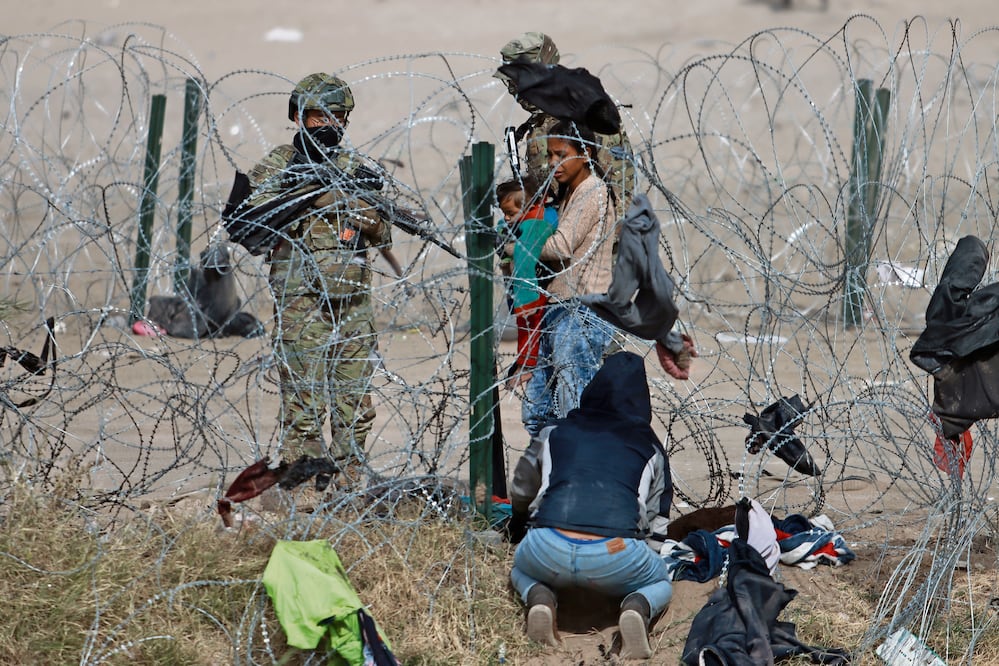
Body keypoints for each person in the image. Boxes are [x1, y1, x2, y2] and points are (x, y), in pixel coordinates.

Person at [245, 72, 392, 486]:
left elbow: (383, 231)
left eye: (337, 116)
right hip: (300, 300)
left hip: (352, 300)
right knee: (304, 401)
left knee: (354, 401)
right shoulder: (276, 167)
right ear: (297, 117)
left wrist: (359, 206)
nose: (328, 125)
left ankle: (347, 482)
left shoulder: (356, 169)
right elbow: (251, 222)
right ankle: (303, 484)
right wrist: (317, 196)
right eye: (317, 117)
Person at [507, 351, 673, 660]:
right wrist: (643, 562)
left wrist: (517, 522)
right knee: (661, 581)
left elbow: (521, 487)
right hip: (614, 553)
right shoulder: (649, 446)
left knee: (518, 569)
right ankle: (637, 606)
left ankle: (540, 596)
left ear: (592, 390)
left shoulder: (554, 431)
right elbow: (657, 519)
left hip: (547, 546)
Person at [520, 119, 618, 435]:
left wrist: (518, 244)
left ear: (585, 152)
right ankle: (547, 472)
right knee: (540, 411)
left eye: (561, 155)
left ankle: (577, 473)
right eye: (550, 156)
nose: (553, 164)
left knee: (572, 408)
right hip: (561, 308)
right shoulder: (569, 193)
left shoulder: (593, 192)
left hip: (582, 311)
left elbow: (561, 246)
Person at [494, 31, 635, 220]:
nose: (514, 90)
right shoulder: (541, 122)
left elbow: (615, 189)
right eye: (510, 82)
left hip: (593, 236)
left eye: (518, 81)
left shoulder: (584, 116)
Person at [495, 174, 557, 391]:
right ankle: (526, 364)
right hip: (534, 287)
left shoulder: (534, 224)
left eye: (511, 213)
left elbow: (524, 254)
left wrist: (525, 299)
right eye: (504, 213)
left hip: (534, 290)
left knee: (529, 326)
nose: (507, 218)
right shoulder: (526, 219)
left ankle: (527, 366)